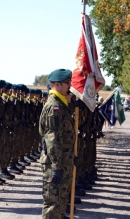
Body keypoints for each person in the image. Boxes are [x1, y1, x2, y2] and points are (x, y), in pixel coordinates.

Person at [39, 69, 75, 219]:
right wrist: (55, 166)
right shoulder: (55, 107)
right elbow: (52, 140)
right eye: (67, 83)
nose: (70, 86)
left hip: (63, 160)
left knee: (61, 200)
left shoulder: (62, 104)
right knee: (53, 203)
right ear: (56, 85)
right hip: (56, 163)